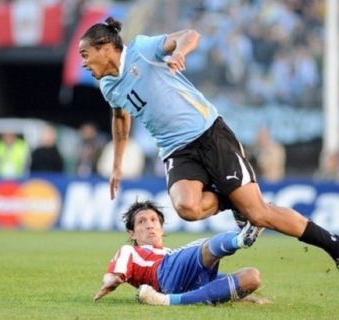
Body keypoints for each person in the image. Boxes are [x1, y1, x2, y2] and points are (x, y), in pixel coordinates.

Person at [78, 17, 339, 268]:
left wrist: (180, 52)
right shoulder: (108, 87)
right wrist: (117, 165)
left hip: (209, 133)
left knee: (259, 214)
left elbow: (191, 36)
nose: (83, 63)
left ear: (106, 48)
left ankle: (332, 245)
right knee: (187, 207)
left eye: (86, 54)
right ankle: (232, 200)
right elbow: (120, 118)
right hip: (176, 150)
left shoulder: (142, 49)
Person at [93, 200, 268, 305]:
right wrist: (110, 282)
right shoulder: (129, 250)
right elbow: (114, 274)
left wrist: (236, 291)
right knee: (206, 246)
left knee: (252, 277)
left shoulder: (171, 253)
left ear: (161, 228)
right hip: (163, 272)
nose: (149, 225)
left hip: (186, 282)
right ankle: (241, 238)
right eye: (141, 222)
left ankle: (167, 300)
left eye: (154, 220)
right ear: (131, 233)